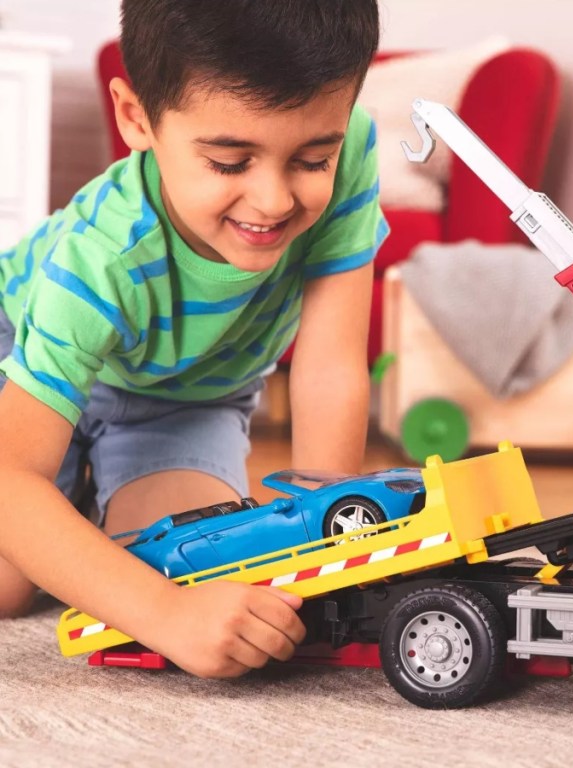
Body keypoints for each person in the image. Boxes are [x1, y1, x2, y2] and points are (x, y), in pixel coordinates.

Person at [0, 0, 386, 678]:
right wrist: (166, 618)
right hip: (18, 358)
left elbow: (327, 367)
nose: (272, 201)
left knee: (197, 565)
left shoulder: (352, 148)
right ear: (136, 119)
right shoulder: (99, 260)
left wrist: (334, 562)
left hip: (180, 396)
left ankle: (88, 513)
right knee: (10, 586)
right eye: (231, 162)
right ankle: (73, 512)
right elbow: (8, 479)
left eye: (311, 159)